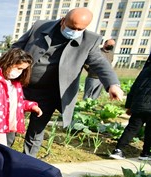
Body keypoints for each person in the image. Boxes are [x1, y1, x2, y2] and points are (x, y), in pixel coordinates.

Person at [11, 7, 124, 157]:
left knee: (36, 130)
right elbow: (15, 48)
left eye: (80, 29)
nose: (75, 31)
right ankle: (3, 154)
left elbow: (100, 63)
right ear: (63, 20)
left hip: (49, 94)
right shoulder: (40, 26)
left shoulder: (89, 40)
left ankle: (26, 163)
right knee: (9, 123)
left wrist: (113, 84)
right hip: (21, 86)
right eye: (72, 27)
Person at [0, 48, 43, 145]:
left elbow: (14, 103)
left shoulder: (12, 83)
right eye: (18, 68)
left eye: (23, 69)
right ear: (8, 63)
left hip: (1, 127)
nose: (20, 72)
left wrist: (31, 106)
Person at [109, 54, 151, 160]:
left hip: (139, 105)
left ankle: (118, 150)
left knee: (131, 128)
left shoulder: (144, 71)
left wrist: (129, 106)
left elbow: (133, 88)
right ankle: (145, 153)